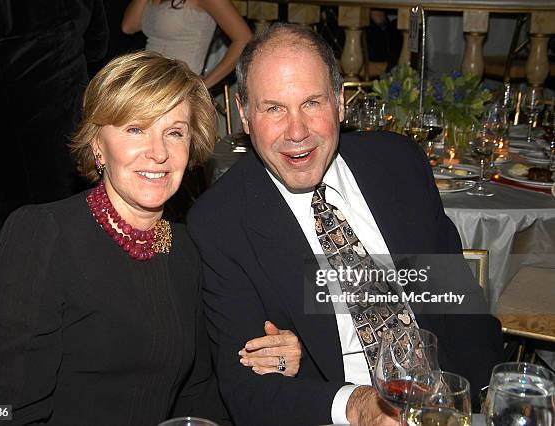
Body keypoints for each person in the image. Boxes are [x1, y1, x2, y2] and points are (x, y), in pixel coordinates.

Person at [187, 24, 504, 426]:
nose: (297, 132)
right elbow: (248, 390)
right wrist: (356, 406)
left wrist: (488, 400)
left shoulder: (397, 165)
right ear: (245, 115)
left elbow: (460, 309)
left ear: (339, 102)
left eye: (312, 103)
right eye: (274, 109)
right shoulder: (221, 223)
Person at [0, 51, 300, 425]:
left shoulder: (187, 249)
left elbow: (200, 392)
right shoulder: (42, 235)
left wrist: (277, 357)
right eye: (135, 129)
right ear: (97, 144)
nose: (158, 152)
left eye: (174, 132)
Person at [0, 0, 109, 269]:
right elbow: (97, 45)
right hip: (72, 143)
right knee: (77, 267)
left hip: (0, 163)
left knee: (16, 284)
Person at [121, 0, 252, 88]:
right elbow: (128, 26)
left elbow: (244, 39)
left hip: (180, 86)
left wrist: (203, 85)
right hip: (148, 81)